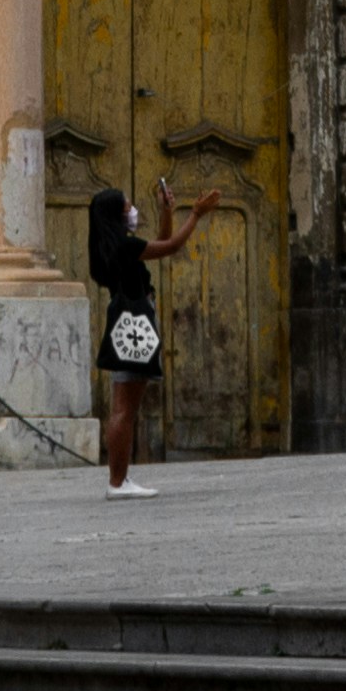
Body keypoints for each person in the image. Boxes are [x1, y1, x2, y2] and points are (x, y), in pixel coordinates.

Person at [87, 178, 215, 496]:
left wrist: (165, 210)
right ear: (116, 215)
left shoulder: (111, 249)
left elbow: (159, 241)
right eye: (127, 206)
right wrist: (196, 215)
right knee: (124, 408)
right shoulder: (124, 247)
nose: (132, 210)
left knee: (124, 407)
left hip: (126, 325)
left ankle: (120, 479)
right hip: (135, 325)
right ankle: (117, 482)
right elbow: (170, 247)